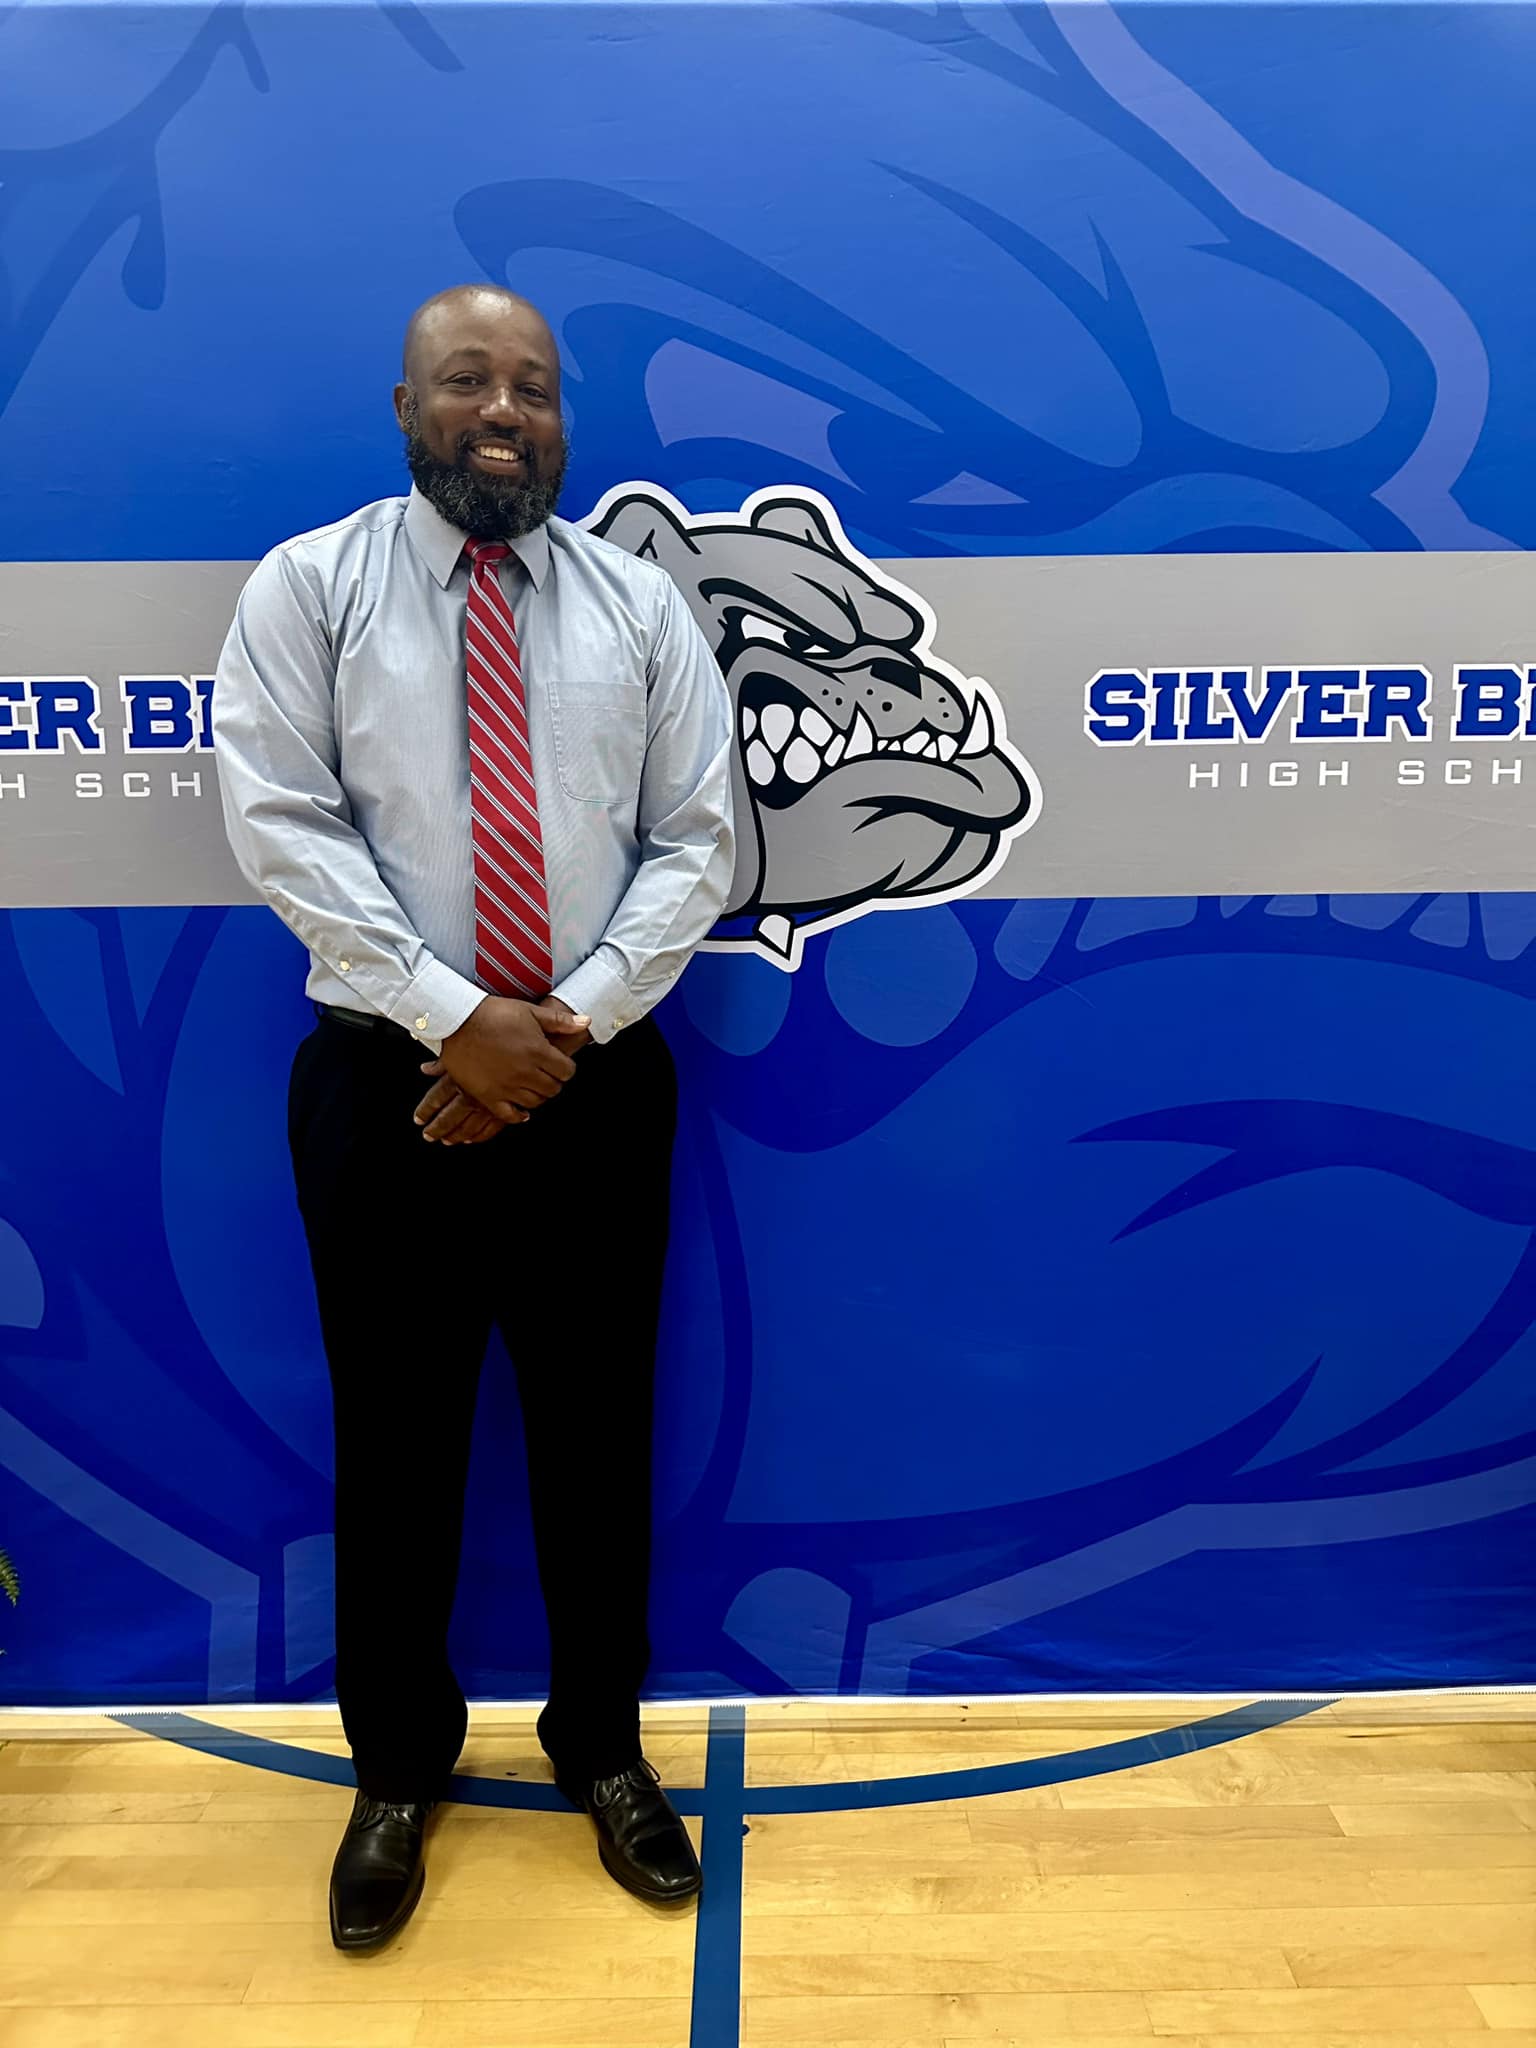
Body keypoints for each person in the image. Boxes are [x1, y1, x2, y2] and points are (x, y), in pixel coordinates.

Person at [213, 284, 735, 1951]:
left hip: (593, 1074)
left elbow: (696, 843)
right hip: (388, 1084)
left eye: (535, 389)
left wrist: (556, 1028)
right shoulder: (309, 590)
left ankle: (606, 1749)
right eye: (468, 383)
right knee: (399, 1441)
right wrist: (456, 1023)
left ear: (563, 422)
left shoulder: (642, 611)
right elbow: (285, 825)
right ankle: (396, 1773)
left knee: (598, 1436)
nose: (504, 413)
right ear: (406, 406)